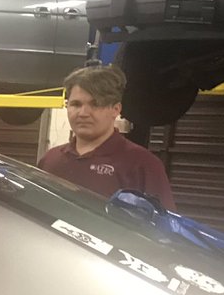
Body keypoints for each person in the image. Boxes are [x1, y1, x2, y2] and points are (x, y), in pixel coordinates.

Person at [39, 64, 177, 210]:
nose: (83, 113)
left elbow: (162, 229)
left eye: (95, 104)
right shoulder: (50, 160)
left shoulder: (143, 165)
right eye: (76, 104)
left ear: (116, 109)